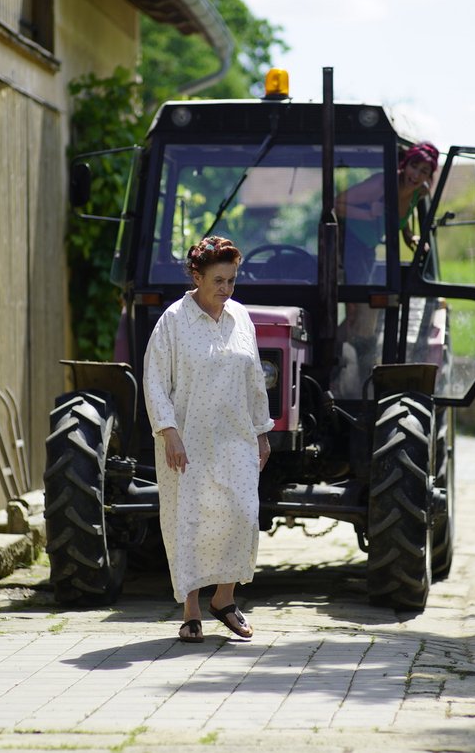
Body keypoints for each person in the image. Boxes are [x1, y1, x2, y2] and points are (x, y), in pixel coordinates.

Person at [142, 235, 275, 643]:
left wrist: (261, 433)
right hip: (188, 441)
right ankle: (191, 611)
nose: (226, 289)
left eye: (232, 280)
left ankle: (225, 599)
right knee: (192, 521)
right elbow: (154, 381)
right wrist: (169, 433)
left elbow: (255, 380)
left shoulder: (241, 319)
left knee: (241, 516)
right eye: (218, 280)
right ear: (196, 276)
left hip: (236, 437)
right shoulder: (173, 321)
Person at [336, 141, 439, 283]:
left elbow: (401, 216)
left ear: (429, 176)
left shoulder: (420, 192)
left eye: (424, 171)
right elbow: (336, 204)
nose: (416, 175)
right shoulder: (381, 184)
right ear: (405, 164)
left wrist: (409, 236)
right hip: (348, 244)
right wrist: (368, 215)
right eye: (413, 166)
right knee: (357, 301)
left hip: (368, 248)